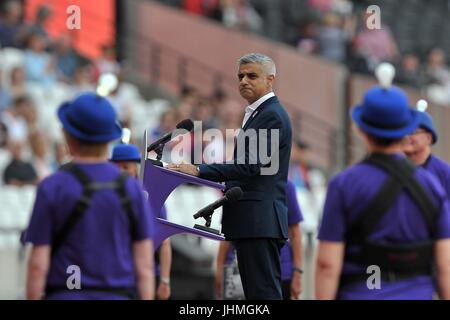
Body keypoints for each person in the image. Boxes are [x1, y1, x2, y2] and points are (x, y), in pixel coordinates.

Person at [315, 71, 450, 300]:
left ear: (361, 130)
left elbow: (328, 264)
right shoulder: (432, 185)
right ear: (405, 130)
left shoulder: (343, 184)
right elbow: (445, 264)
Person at [169, 53, 292, 299]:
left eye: (252, 76)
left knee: (263, 296)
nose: (244, 81)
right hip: (252, 221)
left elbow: (249, 166)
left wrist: (199, 170)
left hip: (259, 221)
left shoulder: (271, 115)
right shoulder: (260, 114)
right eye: (240, 76)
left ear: (270, 80)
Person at [24, 93, 155, 300]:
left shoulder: (52, 187)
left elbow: (38, 265)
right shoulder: (132, 189)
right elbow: (145, 265)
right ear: (109, 138)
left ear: (68, 136)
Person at [215, 180, 303, 300]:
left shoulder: (286, 186)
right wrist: (219, 268)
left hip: (279, 270)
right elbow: (227, 231)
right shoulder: (237, 182)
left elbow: (295, 232)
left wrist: (297, 273)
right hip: (237, 270)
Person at [110, 143, 172, 300]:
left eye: (126, 167)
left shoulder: (153, 198)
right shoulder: (104, 198)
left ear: (136, 169)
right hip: (113, 276)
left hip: (145, 274)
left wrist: (164, 280)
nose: (122, 172)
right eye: (117, 167)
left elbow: (165, 242)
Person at [403, 110, 450, 197]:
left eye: (412, 132)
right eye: (403, 132)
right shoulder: (393, 168)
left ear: (428, 138)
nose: (406, 137)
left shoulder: (444, 173)